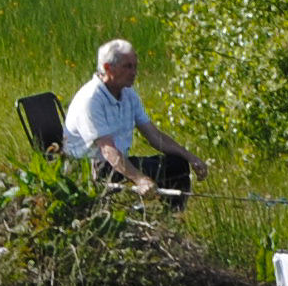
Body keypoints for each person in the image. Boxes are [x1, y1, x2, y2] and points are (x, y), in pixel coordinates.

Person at [66, 38, 195, 199]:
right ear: (108, 68)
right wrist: (140, 179)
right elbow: (108, 150)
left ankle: (173, 216)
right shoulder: (91, 99)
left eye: (135, 66)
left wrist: (190, 158)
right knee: (145, 172)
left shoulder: (128, 94)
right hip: (93, 168)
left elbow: (154, 136)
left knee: (178, 164)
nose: (133, 72)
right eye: (127, 67)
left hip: (118, 162)